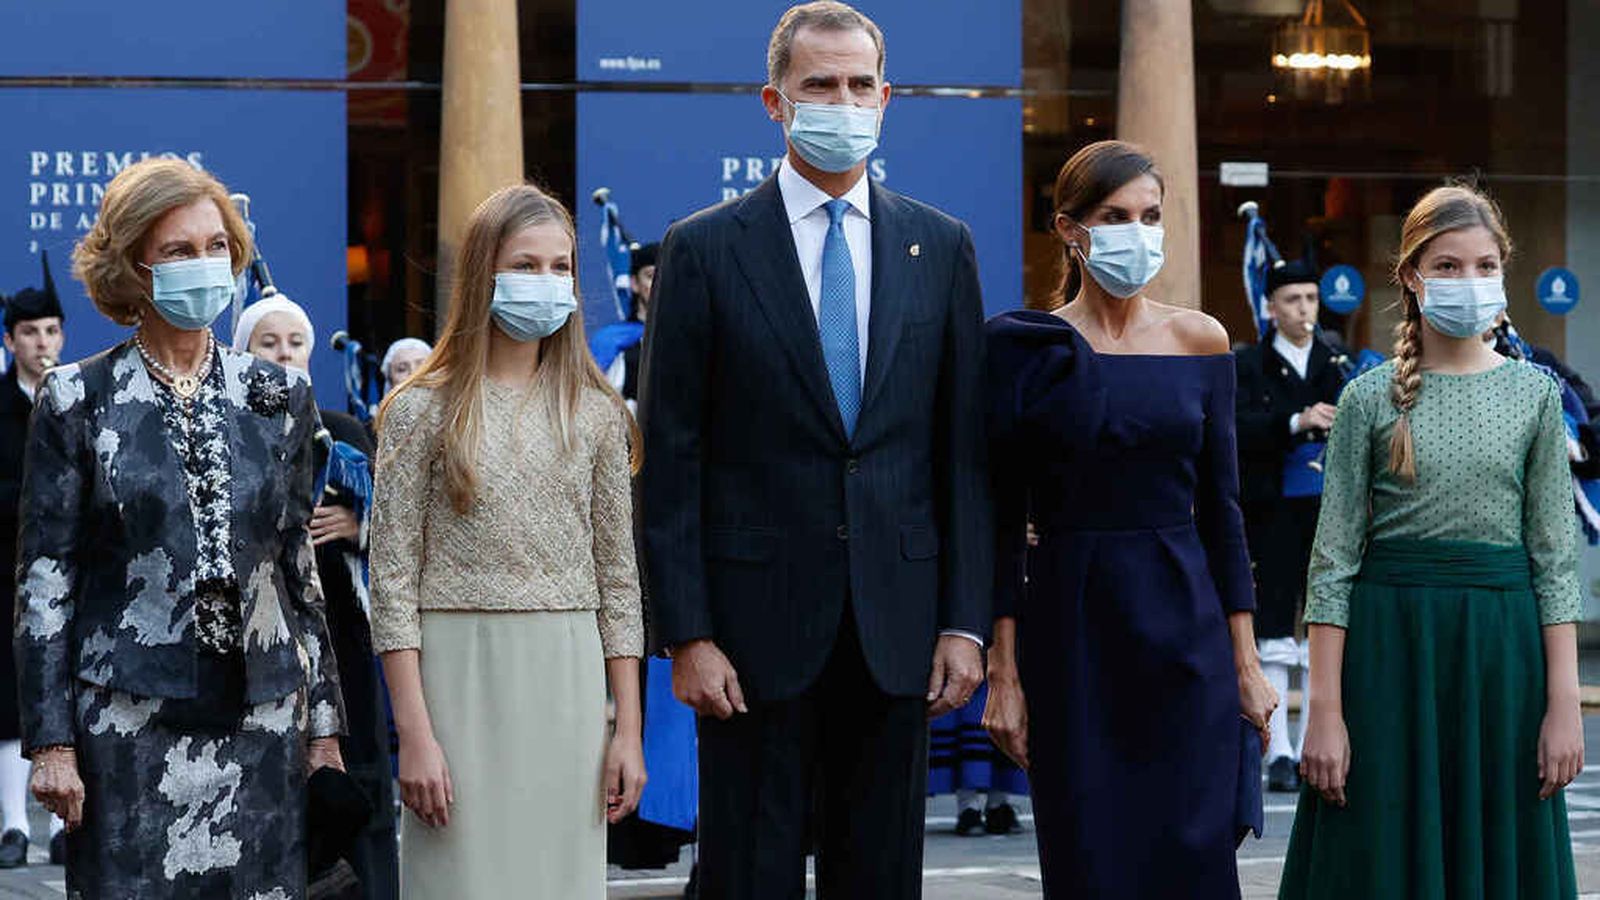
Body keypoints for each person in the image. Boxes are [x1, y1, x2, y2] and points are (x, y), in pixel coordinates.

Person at [639, 4, 991, 895]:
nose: (844, 101)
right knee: (746, 874)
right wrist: (687, 633)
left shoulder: (940, 247)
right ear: (774, 101)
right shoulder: (704, 249)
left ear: (887, 97)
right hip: (749, 639)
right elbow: (671, 458)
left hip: (898, 625)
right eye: (820, 85)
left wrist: (962, 621)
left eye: (859, 85)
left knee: (878, 875)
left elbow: (960, 454)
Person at [14, 157, 345, 897]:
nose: (205, 265)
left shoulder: (279, 396)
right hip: (126, 724)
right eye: (178, 251)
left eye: (217, 247)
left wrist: (323, 729)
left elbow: (299, 571)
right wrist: (52, 742)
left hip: (262, 719)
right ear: (134, 266)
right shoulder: (78, 398)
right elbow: (45, 581)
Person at [982, 140, 1277, 898]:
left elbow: (1224, 510)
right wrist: (1003, 673)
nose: (1136, 232)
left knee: (1194, 850)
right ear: (1068, 229)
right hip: (1072, 625)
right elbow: (1000, 519)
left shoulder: (1202, 340)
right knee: (1090, 857)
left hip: (1187, 621)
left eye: (1149, 215)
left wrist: (1246, 664)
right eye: (1114, 216)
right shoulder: (1022, 348)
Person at [1279, 184, 1582, 899]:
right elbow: (1332, 563)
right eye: (1447, 266)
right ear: (1412, 276)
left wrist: (1563, 702)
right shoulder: (1367, 396)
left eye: (1483, 266)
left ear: (1503, 274)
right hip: (1386, 658)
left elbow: (1555, 560)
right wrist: (1323, 711)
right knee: (1382, 852)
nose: (1467, 282)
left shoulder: (1536, 395)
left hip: (1502, 660)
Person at [370, 183, 646, 899]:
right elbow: (392, 583)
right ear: (483, 274)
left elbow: (619, 580)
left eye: (561, 268)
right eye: (527, 265)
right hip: (455, 680)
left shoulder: (595, 415)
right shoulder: (417, 414)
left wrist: (628, 731)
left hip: (568, 677)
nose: (546, 284)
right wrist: (416, 735)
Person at [234, 295, 399, 899]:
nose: (283, 354)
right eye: (267, 342)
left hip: (345, 656)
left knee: (357, 799)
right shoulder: (226, 436)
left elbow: (408, 537)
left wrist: (361, 528)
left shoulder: (347, 433)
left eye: (295, 342)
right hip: (258, 653)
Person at [1233, 259, 1344, 793]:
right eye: (1294, 300)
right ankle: (1277, 748)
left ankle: (1311, 743)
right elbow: (1235, 429)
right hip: (1272, 511)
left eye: (1312, 299)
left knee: (1323, 622)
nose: (1305, 310)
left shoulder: (1339, 362)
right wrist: (1295, 422)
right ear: (1272, 308)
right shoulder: (1248, 364)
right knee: (1274, 624)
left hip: (1329, 512)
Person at [0, 254, 68, 868]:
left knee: (64, 689)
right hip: (7, 571)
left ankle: (63, 823)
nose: (41, 343)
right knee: (7, 697)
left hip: (71, 572)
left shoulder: (77, 396)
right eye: (29, 332)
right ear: (10, 340)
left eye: (50, 331)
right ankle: (14, 826)